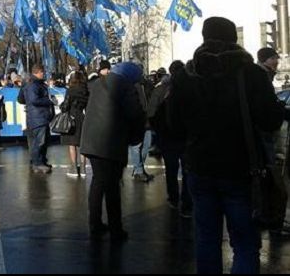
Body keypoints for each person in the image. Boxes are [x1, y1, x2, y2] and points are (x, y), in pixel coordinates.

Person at [170, 17, 285, 274]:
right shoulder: (251, 74)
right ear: (234, 39)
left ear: (204, 37)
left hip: (199, 167)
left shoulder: (186, 75)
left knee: (207, 239)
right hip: (241, 168)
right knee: (244, 242)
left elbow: (173, 125)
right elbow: (271, 120)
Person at [81, 62, 146, 242]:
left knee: (98, 182)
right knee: (112, 187)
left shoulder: (98, 83)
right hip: (111, 142)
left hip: (92, 141)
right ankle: (115, 228)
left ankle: (95, 223)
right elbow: (136, 114)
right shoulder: (126, 87)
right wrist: (135, 137)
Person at [148, 60, 192, 218]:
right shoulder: (190, 88)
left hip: (167, 137)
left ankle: (173, 198)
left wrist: (158, 130)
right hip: (186, 136)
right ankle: (187, 203)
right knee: (188, 170)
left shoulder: (161, 89)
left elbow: (151, 113)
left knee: (171, 170)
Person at [23, 64, 56, 174]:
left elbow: (22, 98)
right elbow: (34, 100)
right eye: (42, 72)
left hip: (39, 116)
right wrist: (49, 101)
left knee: (43, 141)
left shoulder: (34, 84)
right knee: (39, 142)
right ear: (37, 72)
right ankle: (37, 163)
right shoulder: (33, 85)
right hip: (38, 117)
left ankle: (41, 161)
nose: (44, 74)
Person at [60, 71, 89, 178]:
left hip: (72, 117)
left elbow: (66, 106)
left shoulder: (70, 90)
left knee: (72, 144)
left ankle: (73, 168)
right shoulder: (86, 91)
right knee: (82, 144)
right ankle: (83, 168)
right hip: (82, 117)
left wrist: (61, 106)